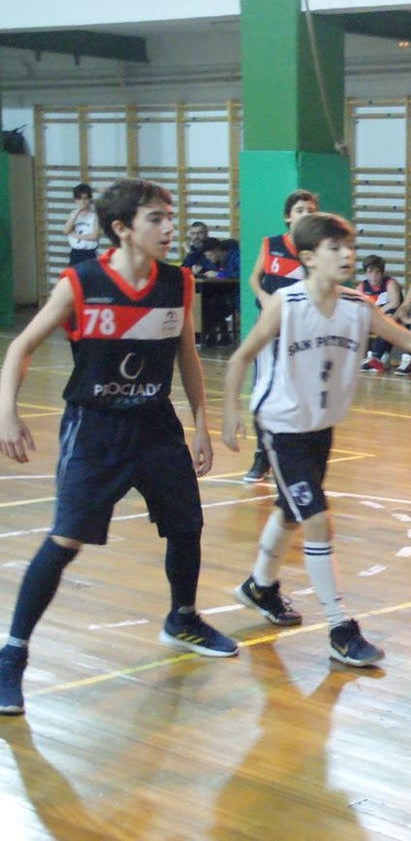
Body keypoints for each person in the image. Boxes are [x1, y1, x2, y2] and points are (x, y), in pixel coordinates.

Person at [0, 178, 239, 716]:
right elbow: (21, 346)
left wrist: (201, 422)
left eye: (169, 217)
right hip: (96, 427)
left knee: (186, 527)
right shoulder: (81, 282)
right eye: (156, 218)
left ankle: (182, 617)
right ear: (121, 228)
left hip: (156, 425)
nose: (169, 228)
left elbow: (188, 359)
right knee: (65, 541)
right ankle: (11, 656)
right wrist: (6, 412)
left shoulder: (179, 283)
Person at [221, 212, 411, 667]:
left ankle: (259, 586)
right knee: (317, 519)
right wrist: (229, 413)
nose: (347, 255)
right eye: (335, 248)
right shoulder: (285, 305)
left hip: (320, 425)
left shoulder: (357, 306)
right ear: (307, 258)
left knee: (291, 511)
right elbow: (241, 357)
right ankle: (340, 628)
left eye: (349, 247)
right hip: (283, 426)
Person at [243, 189, 319, 482]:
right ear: (288, 216)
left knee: (301, 393)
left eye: (311, 210)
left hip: (303, 332)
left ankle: (297, 456)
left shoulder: (317, 252)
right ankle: (262, 456)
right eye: (300, 210)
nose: (306, 214)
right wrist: (263, 296)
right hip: (270, 329)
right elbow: (253, 277)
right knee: (265, 391)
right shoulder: (271, 244)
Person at [357, 255, 403, 373]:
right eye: (370, 272)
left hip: (393, 317)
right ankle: (369, 357)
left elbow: (395, 302)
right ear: (366, 273)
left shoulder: (390, 283)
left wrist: (375, 314)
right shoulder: (362, 286)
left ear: (382, 273)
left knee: (387, 322)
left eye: (377, 272)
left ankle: (376, 357)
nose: (374, 276)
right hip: (374, 319)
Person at [198, 237, 241, 347]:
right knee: (207, 299)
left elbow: (241, 273)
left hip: (237, 292)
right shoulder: (218, 260)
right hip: (224, 292)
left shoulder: (235, 256)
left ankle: (218, 334)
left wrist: (220, 275)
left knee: (214, 302)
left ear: (216, 250)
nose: (208, 258)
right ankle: (213, 334)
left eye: (209, 255)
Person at [62, 182, 100, 266]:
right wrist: (76, 213)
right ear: (75, 200)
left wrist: (77, 236)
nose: (82, 201)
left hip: (89, 254)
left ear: (90, 199)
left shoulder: (94, 216)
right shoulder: (73, 214)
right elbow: (66, 230)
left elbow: (94, 236)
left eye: (85, 198)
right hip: (75, 253)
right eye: (79, 199)